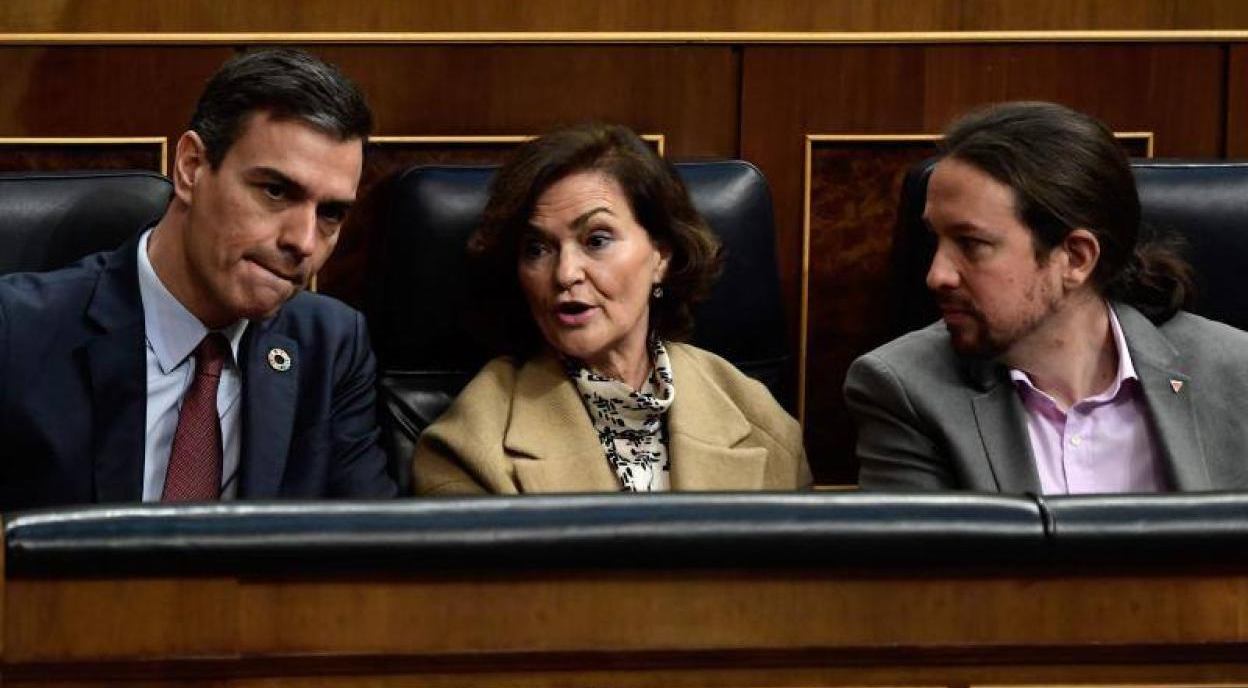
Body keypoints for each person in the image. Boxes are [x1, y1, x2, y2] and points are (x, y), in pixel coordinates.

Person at [0, 47, 396, 505]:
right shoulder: (18, 332)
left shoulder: (330, 346)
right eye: (275, 190)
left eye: (330, 213)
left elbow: (369, 556)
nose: (304, 242)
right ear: (190, 168)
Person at [845, 100, 1248, 494]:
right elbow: (925, 560)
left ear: (1075, 258)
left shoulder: (1232, 373)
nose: (937, 276)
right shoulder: (905, 390)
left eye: (971, 244)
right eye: (936, 239)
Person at [413, 123, 810, 493]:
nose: (565, 273)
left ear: (661, 255)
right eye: (537, 249)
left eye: (597, 240)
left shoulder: (757, 419)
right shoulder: (469, 446)